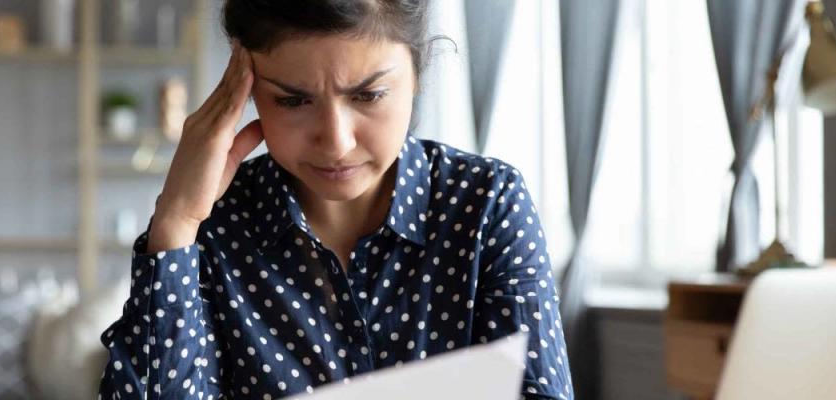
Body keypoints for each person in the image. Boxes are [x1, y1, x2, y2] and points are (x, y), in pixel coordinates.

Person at [98, 0, 572, 399]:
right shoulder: (214, 227)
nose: (337, 141)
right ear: (245, 89)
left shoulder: (486, 204)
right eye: (292, 100)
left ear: (417, 74)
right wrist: (177, 221)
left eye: (368, 96)